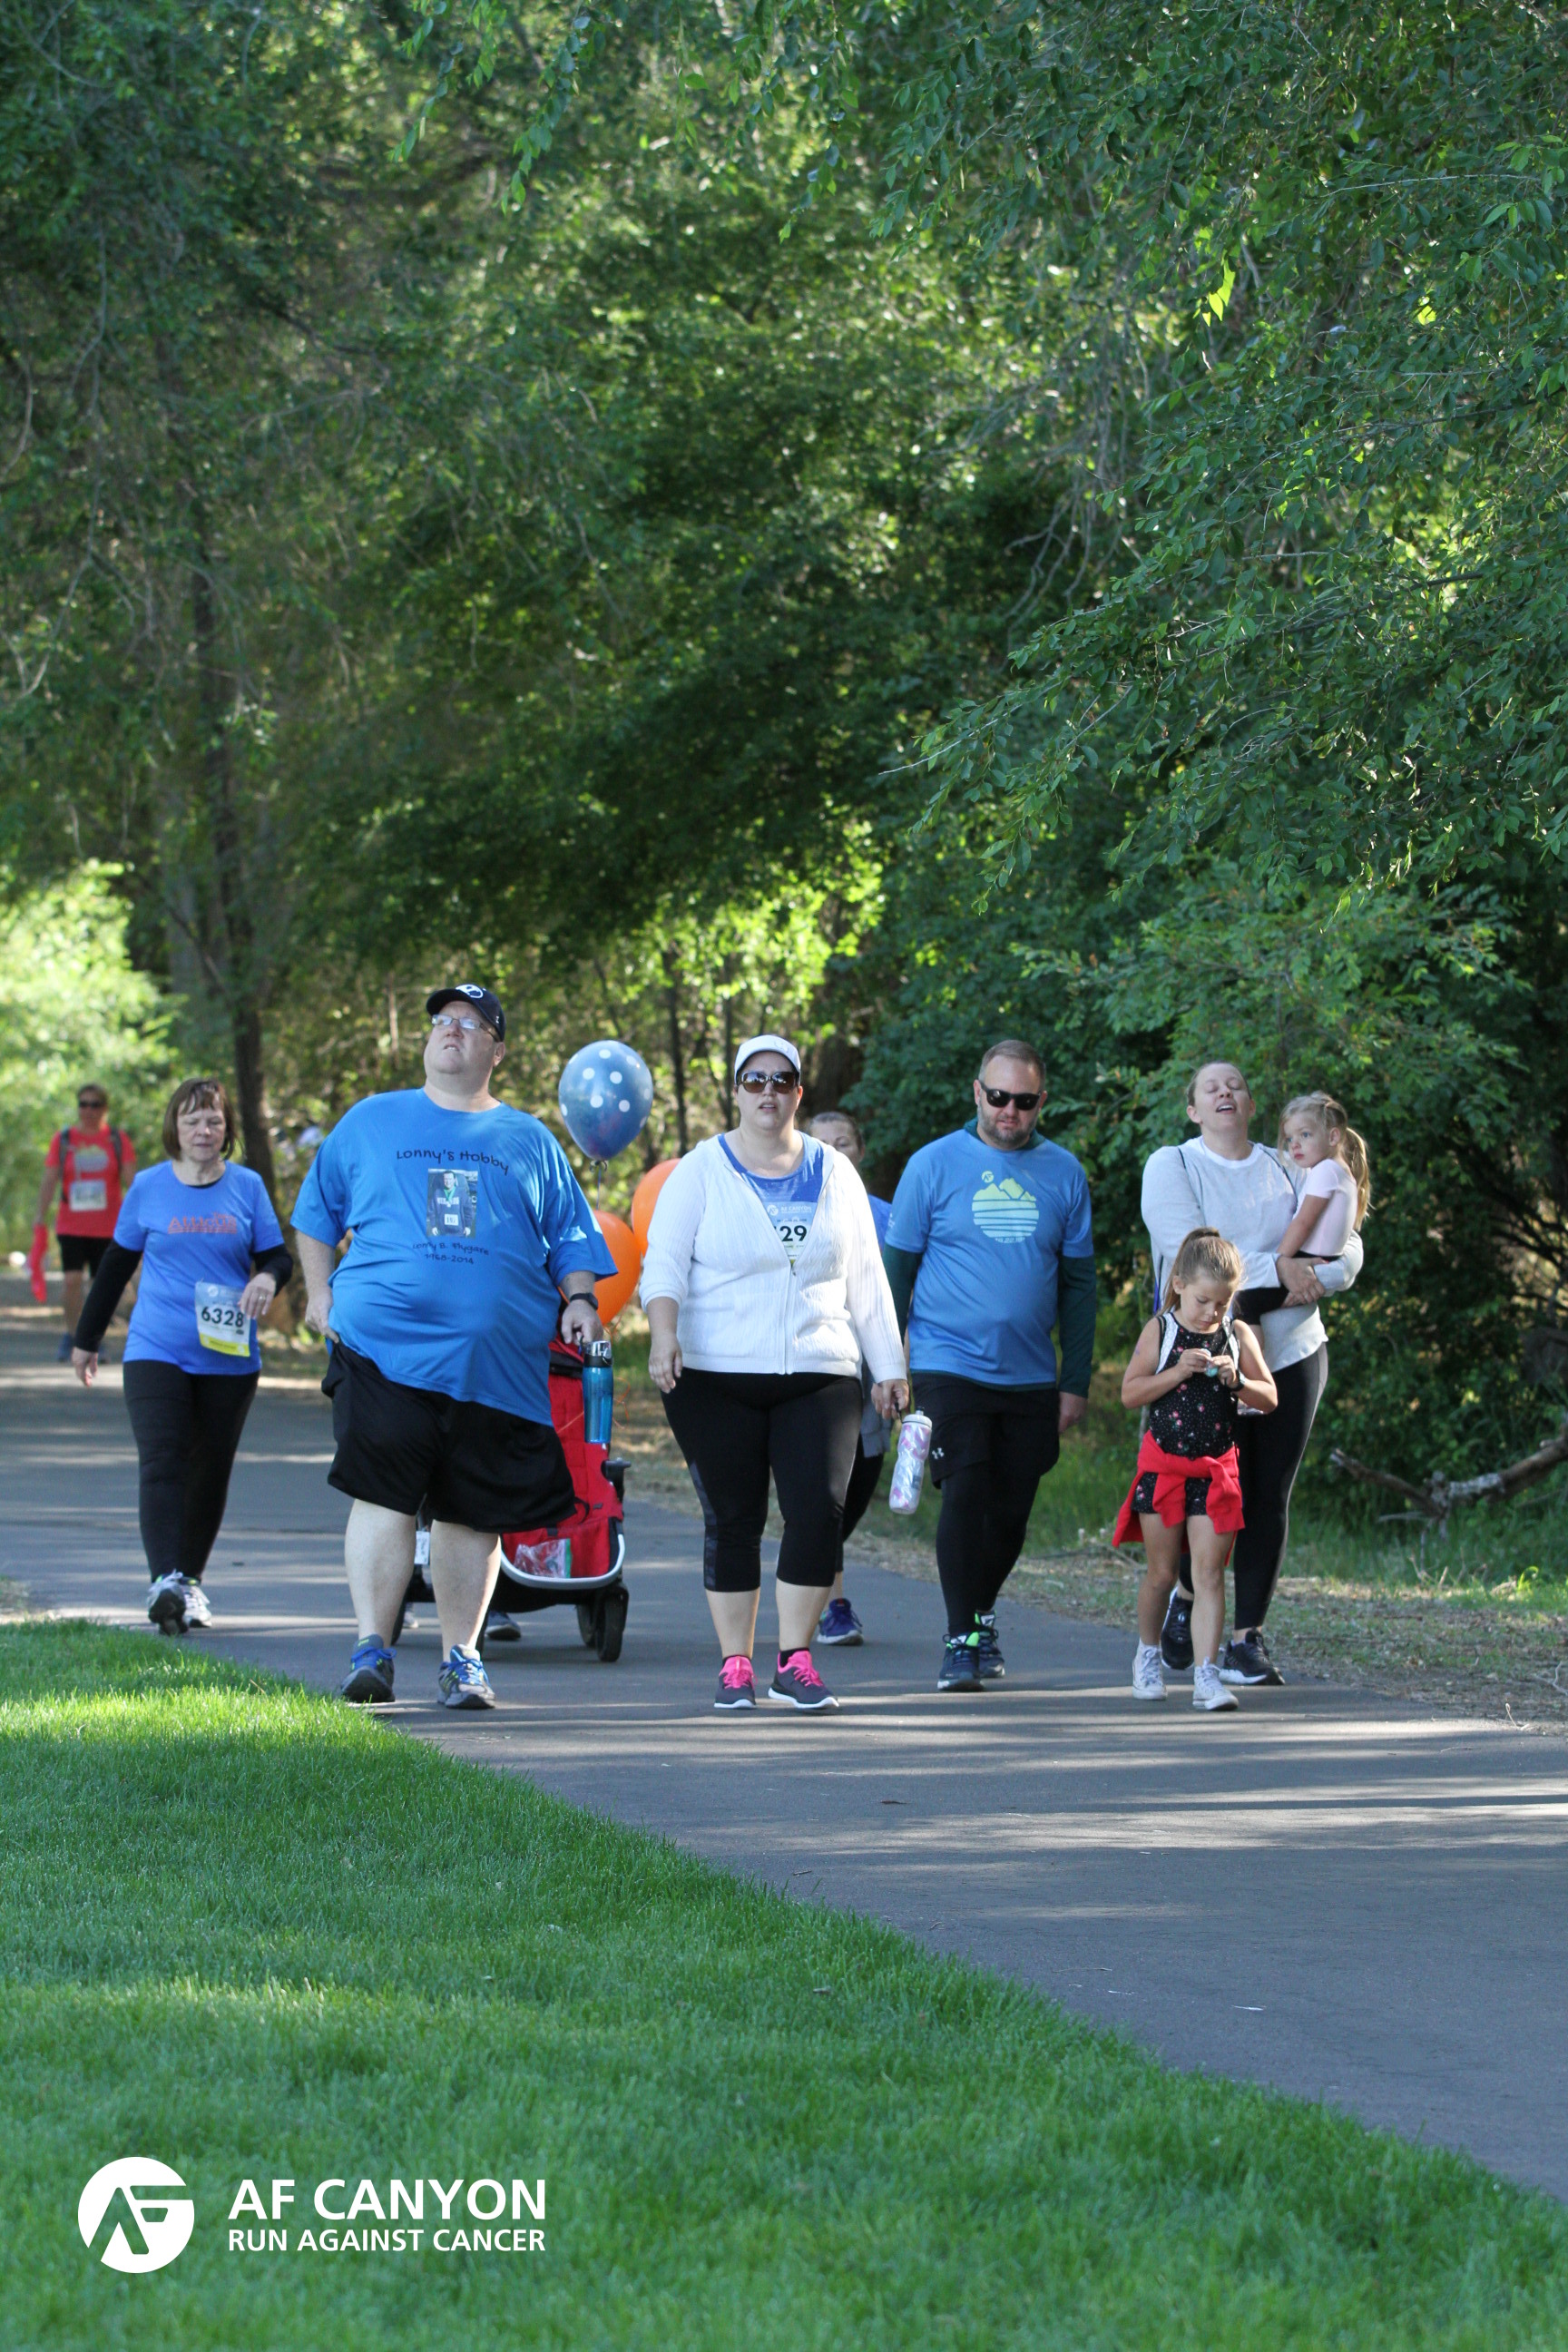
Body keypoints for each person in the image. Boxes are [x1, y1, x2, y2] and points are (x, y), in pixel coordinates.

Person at [292, 984, 615, 1712]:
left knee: (473, 1512)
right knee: (383, 1494)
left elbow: (572, 1237)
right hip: (383, 1350)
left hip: (494, 1366)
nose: (453, 1031)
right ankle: (371, 1651)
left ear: (495, 1052)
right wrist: (318, 1293)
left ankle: (461, 1660)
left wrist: (581, 1301)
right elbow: (316, 1213)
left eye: (472, 1025)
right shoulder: (372, 1120)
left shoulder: (528, 1139)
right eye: (443, 1020)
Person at [641, 1036, 906, 1713]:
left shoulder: (835, 1173)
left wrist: (888, 1366)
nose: (768, 1091)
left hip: (820, 1369)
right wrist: (664, 1336)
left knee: (818, 1513)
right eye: (754, 1080)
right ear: (736, 1091)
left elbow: (867, 1280)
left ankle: (795, 1661)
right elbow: (663, 1265)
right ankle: (736, 1664)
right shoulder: (700, 1170)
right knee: (734, 1517)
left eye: (781, 1081)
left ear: (797, 1094)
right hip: (713, 1371)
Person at [1141, 1061, 1365, 1687]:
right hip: (1204, 1359)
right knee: (1206, 1493)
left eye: (1235, 1084)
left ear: (1250, 1103)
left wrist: (1315, 1275)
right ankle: (1188, 1598)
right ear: (1193, 1109)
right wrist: (1285, 1268)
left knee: (1268, 1492)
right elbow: (1194, 1257)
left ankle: (1246, 1639)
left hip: (1293, 1351)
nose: (1225, 1092)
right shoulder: (1173, 1166)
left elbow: (1347, 1243)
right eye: (1210, 1087)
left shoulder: (1287, 1163)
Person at [882, 1040, 1097, 1693]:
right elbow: (896, 1274)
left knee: (1010, 1513)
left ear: (1041, 1102)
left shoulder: (1064, 1173)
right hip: (947, 1361)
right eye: (998, 1096)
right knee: (967, 1489)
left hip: (1030, 1372)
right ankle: (960, 1639)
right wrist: (888, 1364)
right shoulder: (932, 1165)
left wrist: (1075, 1381)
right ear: (977, 1092)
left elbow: (1079, 1286)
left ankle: (979, 1615)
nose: (1009, 1110)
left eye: (1024, 1101)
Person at [71, 1078, 290, 1634]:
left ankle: (188, 1581)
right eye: (192, 1121)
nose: (203, 1130)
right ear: (175, 1128)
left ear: (226, 1129)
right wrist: (86, 1339)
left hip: (227, 1355)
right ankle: (164, 1580)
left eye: (213, 1120)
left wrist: (266, 1277)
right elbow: (116, 1266)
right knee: (162, 1457)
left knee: (209, 1469)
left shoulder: (246, 1187)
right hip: (157, 1345)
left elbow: (277, 1257)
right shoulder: (149, 1186)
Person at [1114, 1230, 1277, 1710]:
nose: (1212, 1313)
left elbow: (1269, 1397)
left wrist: (1238, 1380)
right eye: (1204, 1301)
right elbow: (1130, 1394)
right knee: (1163, 1574)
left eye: (1223, 1303)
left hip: (1215, 1474)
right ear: (1180, 1284)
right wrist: (1179, 1371)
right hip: (1164, 1473)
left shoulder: (1236, 1334)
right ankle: (1147, 1655)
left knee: (1209, 1575)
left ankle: (1207, 1675)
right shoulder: (1161, 1330)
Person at [805, 1109, 894, 1646]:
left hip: (872, 1375)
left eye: (844, 1142)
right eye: (822, 1144)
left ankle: (807, 1574)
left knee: (857, 1489)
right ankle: (832, 1604)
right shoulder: (791, 1212)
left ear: (859, 1152)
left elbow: (903, 1292)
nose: (835, 1152)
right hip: (816, 1373)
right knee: (826, 1495)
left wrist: (898, 1365)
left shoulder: (887, 1217)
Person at [34, 1085, 136, 1360]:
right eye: (84, 1104)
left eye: (95, 1104)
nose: (89, 1110)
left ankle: (92, 1339)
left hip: (108, 1227)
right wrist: (39, 1216)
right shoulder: (64, 1139)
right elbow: (50, 1178)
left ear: (105, 1108)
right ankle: (72, 1334)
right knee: (72, 1280)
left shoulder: (117, 1140)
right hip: (71, 1225)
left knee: (100, 1285)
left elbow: (133, 1183)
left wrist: (140, 1218)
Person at [1276, 1092, 1371, 1267]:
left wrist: (1276, 1263)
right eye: (1289, 1139)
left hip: (1306, 1259)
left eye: (1305, 1135)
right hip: (1324, 1260)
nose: (1294, 1144)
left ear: (1333, 1137)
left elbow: (1303, 1223)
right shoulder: (1340, 1171)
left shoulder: (1326, 1170)